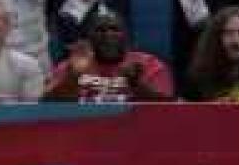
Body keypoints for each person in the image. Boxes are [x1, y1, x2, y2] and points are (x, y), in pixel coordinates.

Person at [43, 11, 174, 103]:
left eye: (114, 29)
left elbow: (167, 108)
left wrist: (137, 85)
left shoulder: (149, 64)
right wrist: (73, 77)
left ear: (126, 35)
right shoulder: (72, 66)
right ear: (89, 37)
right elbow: (48, 105)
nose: (108, 35)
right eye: (100, 30)